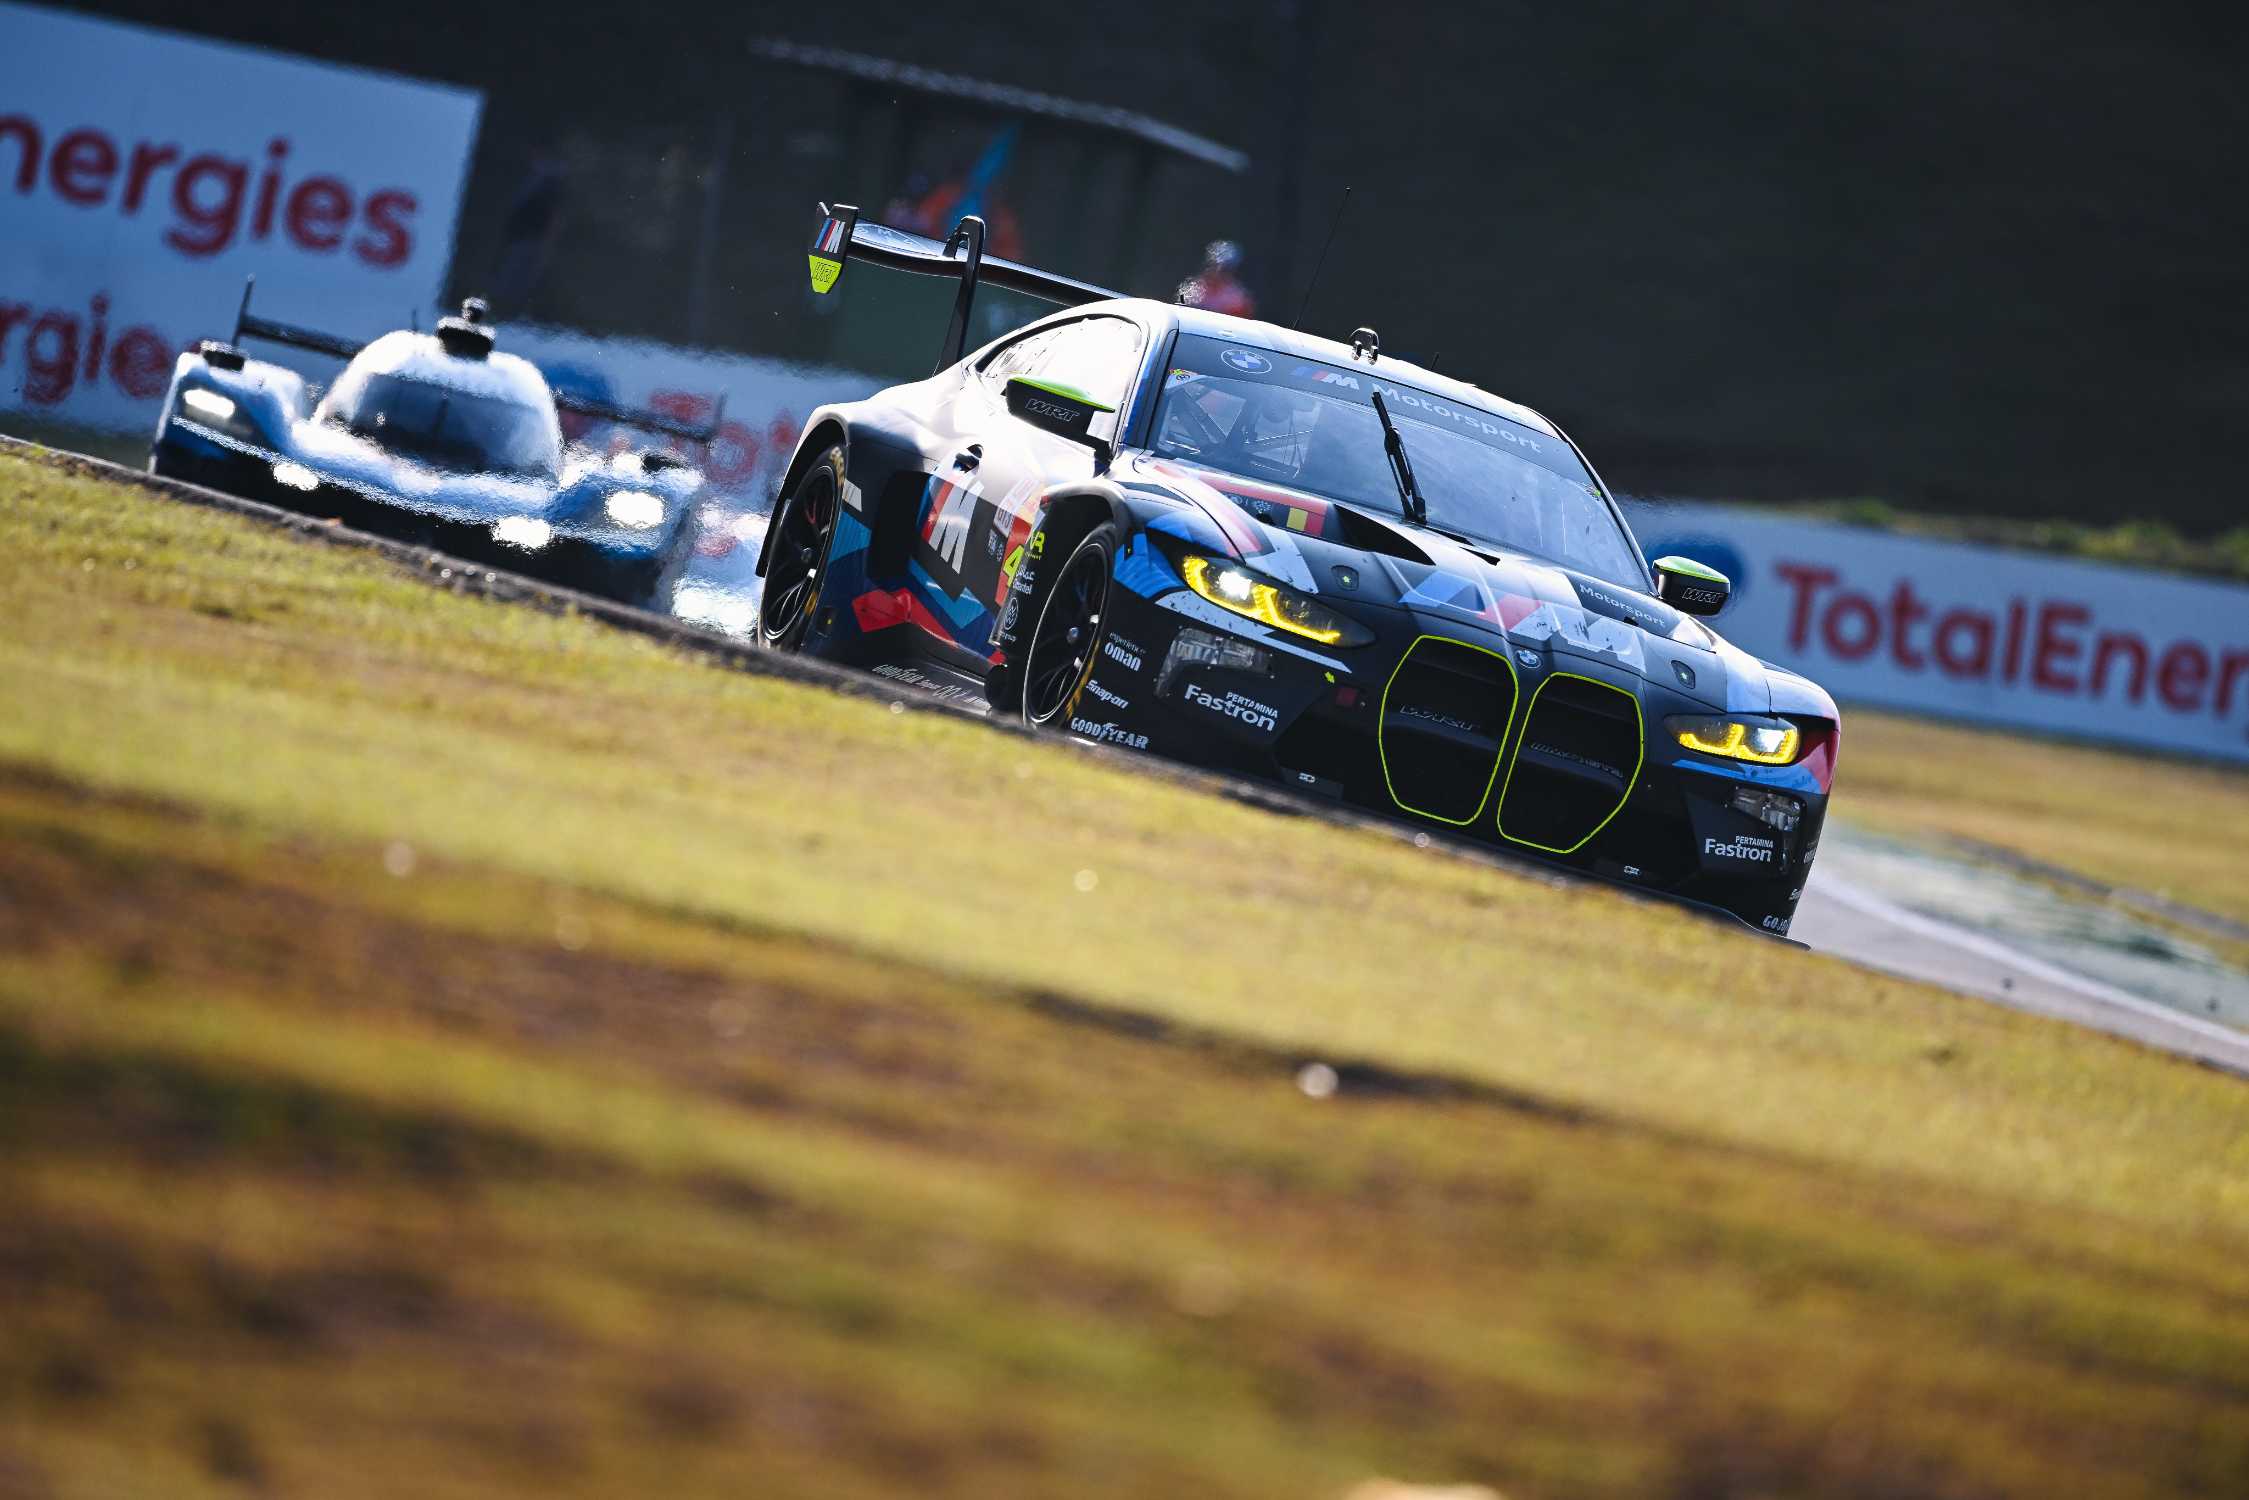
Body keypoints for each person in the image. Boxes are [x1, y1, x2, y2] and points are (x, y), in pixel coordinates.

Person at [1176, 240, 1256, 318]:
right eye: (1214, 264)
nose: (1217, 270)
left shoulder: (1238, 299)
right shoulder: (1191, 288)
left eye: (1224, 268)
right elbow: (1179, 308)